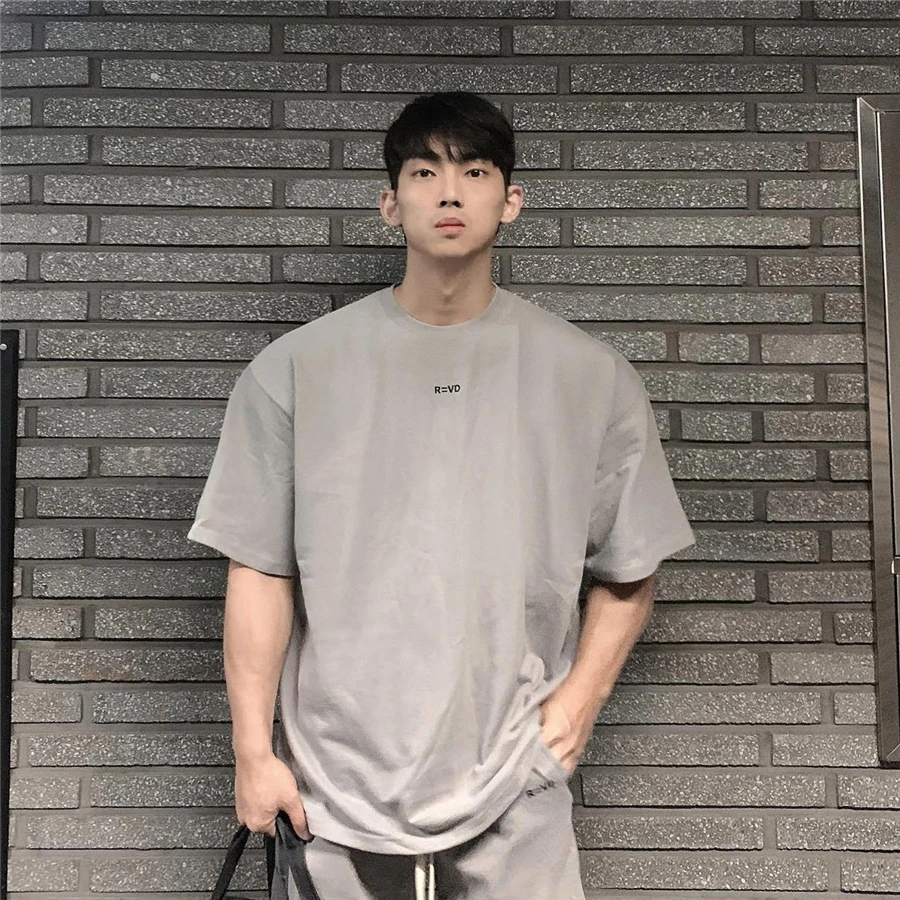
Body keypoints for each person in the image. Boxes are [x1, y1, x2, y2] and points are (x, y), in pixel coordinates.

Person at [187, 91, 696, 900]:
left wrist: (577, 708)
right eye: (424, 172)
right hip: (332, 794)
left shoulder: (589, 377)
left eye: (475, 171)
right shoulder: (293, 371)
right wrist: (254, 751)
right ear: (390, 203)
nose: (450, 192)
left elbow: (631, 566)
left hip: (514, 788)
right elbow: (259, 570)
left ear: (511, 200)